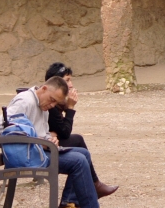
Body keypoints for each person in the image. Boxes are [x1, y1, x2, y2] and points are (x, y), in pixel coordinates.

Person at [0, 76, 124, 208]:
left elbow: (40, 133)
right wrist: (36, 140)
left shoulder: (42, 106)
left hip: (36, 152)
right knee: (78, 161)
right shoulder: (25, 101)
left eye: (55, 103)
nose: (52, 105)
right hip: (26, 156)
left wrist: (50, 139)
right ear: (44, 88)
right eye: (51, 100)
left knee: (83, 153)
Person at [44, 62, 118, 198]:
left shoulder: (53, 102)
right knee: (78, 148)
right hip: (44, 146)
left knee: (79, 145)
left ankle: (92, 187)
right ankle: (90, 188)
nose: (71, 85)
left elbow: (60, 131)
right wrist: (70, 108)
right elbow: (65, 133)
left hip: (49, 141)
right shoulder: (49, 104)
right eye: (67, 80)